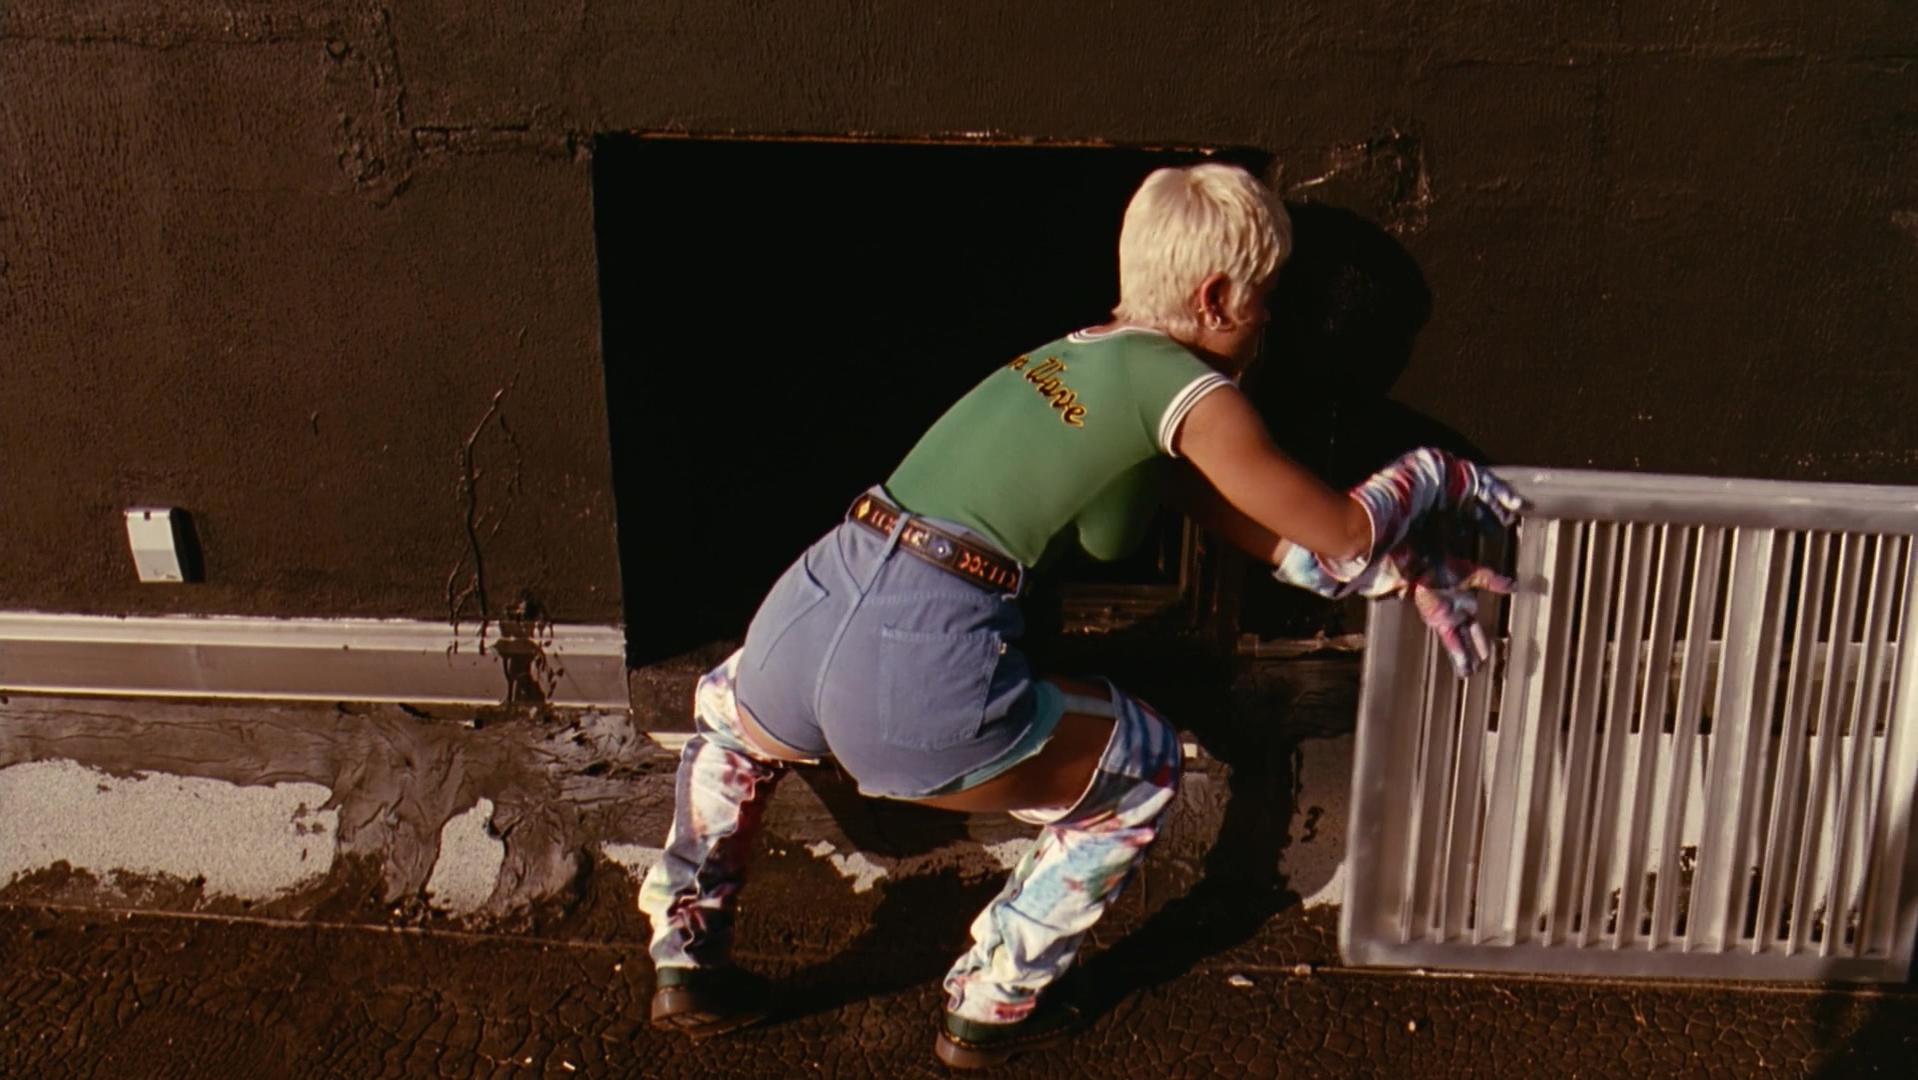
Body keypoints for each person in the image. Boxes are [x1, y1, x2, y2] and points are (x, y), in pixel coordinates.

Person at [638, 163, 1520, 1069]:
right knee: (1142, 767)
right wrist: (1438, 475)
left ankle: (686, 951)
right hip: (913, 664)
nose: (1268, 322)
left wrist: (1401, 579)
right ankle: (994, 1002)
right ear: (1216, 298)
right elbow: (1344, 531)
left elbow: (1164, 525)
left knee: (729, 721)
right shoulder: (1195, 393)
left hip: (815, 597)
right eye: (1267, 298)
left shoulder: (1070, 355)